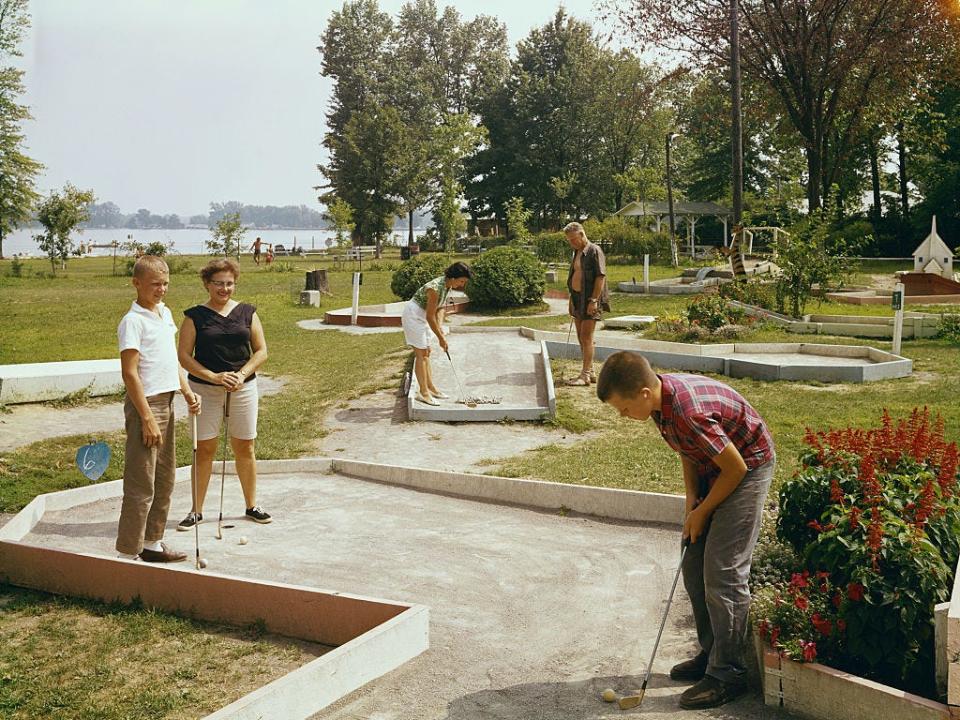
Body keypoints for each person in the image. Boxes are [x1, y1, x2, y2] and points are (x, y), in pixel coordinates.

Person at [596, 351, 775, 710]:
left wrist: (705, 510)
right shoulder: (660, 405)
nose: (623, 415)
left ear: (644, 394)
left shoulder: (689, 412)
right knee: (693, 564)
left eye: (624, 408)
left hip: (748, 468)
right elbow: (688, 449)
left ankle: (728, 674)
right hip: (717, 467)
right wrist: (692, 499)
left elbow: (736, 469)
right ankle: (712, 655)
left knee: (723, 572)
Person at [116, 255, 202, 563]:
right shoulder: (132, 322)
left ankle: (152, 543)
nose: (161, 289)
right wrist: (147, 418)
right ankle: (129, 552)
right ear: (136, 283)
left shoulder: (164, 313)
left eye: (165, 283)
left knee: (165, 478)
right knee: (142, 481)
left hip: (167, 401)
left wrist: (187, 391)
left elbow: (171, 360)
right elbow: (130, 373)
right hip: (146, 406)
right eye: (155, 284)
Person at [176, 258, 270, 530]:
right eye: (218, 283)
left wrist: (241, 375)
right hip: (204, 390)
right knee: (204, 449)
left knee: (245, 446)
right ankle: (196, 510)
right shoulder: (194, 316)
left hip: (243, 388)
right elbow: (184, 356)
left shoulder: (247, 312)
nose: (224, 288)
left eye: (229, 283)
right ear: (207, 283)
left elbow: (261, 350)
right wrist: (213, 377)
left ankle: (252, 505)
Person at [401, 261, 472, 405]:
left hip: (422, 316)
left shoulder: (446, 286)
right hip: (413, 316)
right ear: (453, 278)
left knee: (427, 352)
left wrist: (440, 330)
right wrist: (440, 338)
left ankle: (431, 388)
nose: (462, 284)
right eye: (461, 281)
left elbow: (440, 309)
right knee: (421, 354)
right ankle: (423, 393)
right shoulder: (435, 288)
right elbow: (429, 316)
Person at [563, 221, 608, 386]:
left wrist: (594, 300)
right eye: (569, 240)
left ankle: (585, 375)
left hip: (590, 299)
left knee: (586, 337)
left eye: (573, 239)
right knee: (581, 338)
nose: (571, 243)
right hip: (577, 299)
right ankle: (591, 371)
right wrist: (571, 299)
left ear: (582, 234)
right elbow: (575, 275)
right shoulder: (577, 251)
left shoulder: (594, 251)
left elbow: (600, 277)